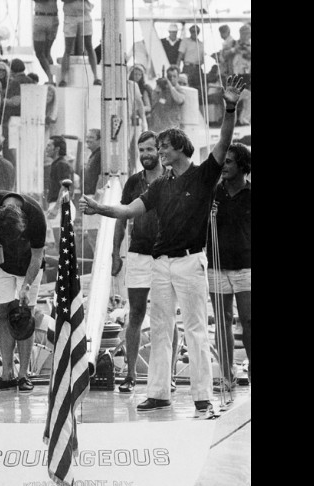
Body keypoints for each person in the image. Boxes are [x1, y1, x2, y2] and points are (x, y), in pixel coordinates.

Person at [81, 75, 248, 415]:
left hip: (190, 262)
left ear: (180, 148)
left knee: (197, 330)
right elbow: (130, 210)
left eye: (163, 147)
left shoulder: (203, 175)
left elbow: (225, 139)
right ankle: (159, 392)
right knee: (159, 329)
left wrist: (230, 106)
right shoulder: (159, 186)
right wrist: (101, 209)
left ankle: (203, 396)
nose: (159, 153)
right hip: (161, 264)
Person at [111, 131, 178, 393]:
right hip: (138, 253)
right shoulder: (133, 182)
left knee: (166, 316)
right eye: (142, 150)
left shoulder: (172, 179)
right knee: (135, 314)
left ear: (160, 151)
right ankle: (130, 374)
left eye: (150, 149)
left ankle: (169, 374)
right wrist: (115, 253)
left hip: (165, 254)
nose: (146, 155)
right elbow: (121, 218)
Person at [0, 191, 48, 392]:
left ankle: (24, 374)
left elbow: (37, 257)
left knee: (25, 316)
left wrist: (27, 286)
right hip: (1, 262)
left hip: (29, 266)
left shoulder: (36, 216)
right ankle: (6, 374)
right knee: (4, 313)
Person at [207, 143, 251, 388]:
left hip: (246, 266)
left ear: (243, 166)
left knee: (249, 319)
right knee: (222, 320)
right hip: (217, 265)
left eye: (230, 161)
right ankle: (227, 374)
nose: (224, 165)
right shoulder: (214, 193)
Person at [60, 0, 100, 87]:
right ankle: (63, 78)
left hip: (84, 14)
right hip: (70, 16)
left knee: (89, 45)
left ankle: (96, 77)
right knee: (68, 48)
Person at [148, 66, 185, 133]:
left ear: (178, 78)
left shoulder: (180, 90)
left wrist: (170, 86)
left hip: (171, 127)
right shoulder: (162, 90)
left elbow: (179, 100)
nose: (171, 78)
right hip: (158, 127)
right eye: (169, 76)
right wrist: (158, 87)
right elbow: (153, 102)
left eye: (174, 76)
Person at [177, 24, 206, 108]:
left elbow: (203, 59)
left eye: (196, 31)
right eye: (193, 31)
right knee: (185, 87)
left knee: (198, 89)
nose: (194, 33)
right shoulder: (185, 41)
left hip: (198, 68)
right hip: (188, 68)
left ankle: (196, 109)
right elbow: (180, 55)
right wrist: (177, 68)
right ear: (190, 32)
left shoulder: (201, 44)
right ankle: (185, 107)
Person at [32, 0, 60, 84]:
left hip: (41, 17)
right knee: (46, 52)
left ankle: (50, 78)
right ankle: (52, 78)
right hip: (52, 17)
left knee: (40, 53)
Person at [44, 136, 74, 207]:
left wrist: (56, 208)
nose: (46, 148)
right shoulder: (57, 163)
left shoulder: (61, 164)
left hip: (60, 206)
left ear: (57, 149)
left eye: (49, 146)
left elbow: (66, 188)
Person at [82, 128, 102, 196]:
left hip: (94, 196)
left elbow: (101, 176)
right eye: (87, 137)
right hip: (89, 195)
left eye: (91, 137)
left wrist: (96, 197)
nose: (87, 140)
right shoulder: (93, 155)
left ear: (99, 140)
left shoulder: (100, 155)